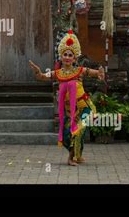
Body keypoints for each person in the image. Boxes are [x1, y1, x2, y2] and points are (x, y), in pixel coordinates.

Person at [29, 30, 104, 166]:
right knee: (65, 135)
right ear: (61, 57)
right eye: (65, 54)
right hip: (69, 111)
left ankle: (72, 158)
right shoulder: (57, 73)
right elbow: (41, 77)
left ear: (74, 58)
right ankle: (78, 155)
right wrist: (37, 72)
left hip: (85, 107)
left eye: (70, 55)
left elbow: (95, 73)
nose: (68, 57)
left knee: (78, 130)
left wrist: (100, 73)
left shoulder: (80, 71)